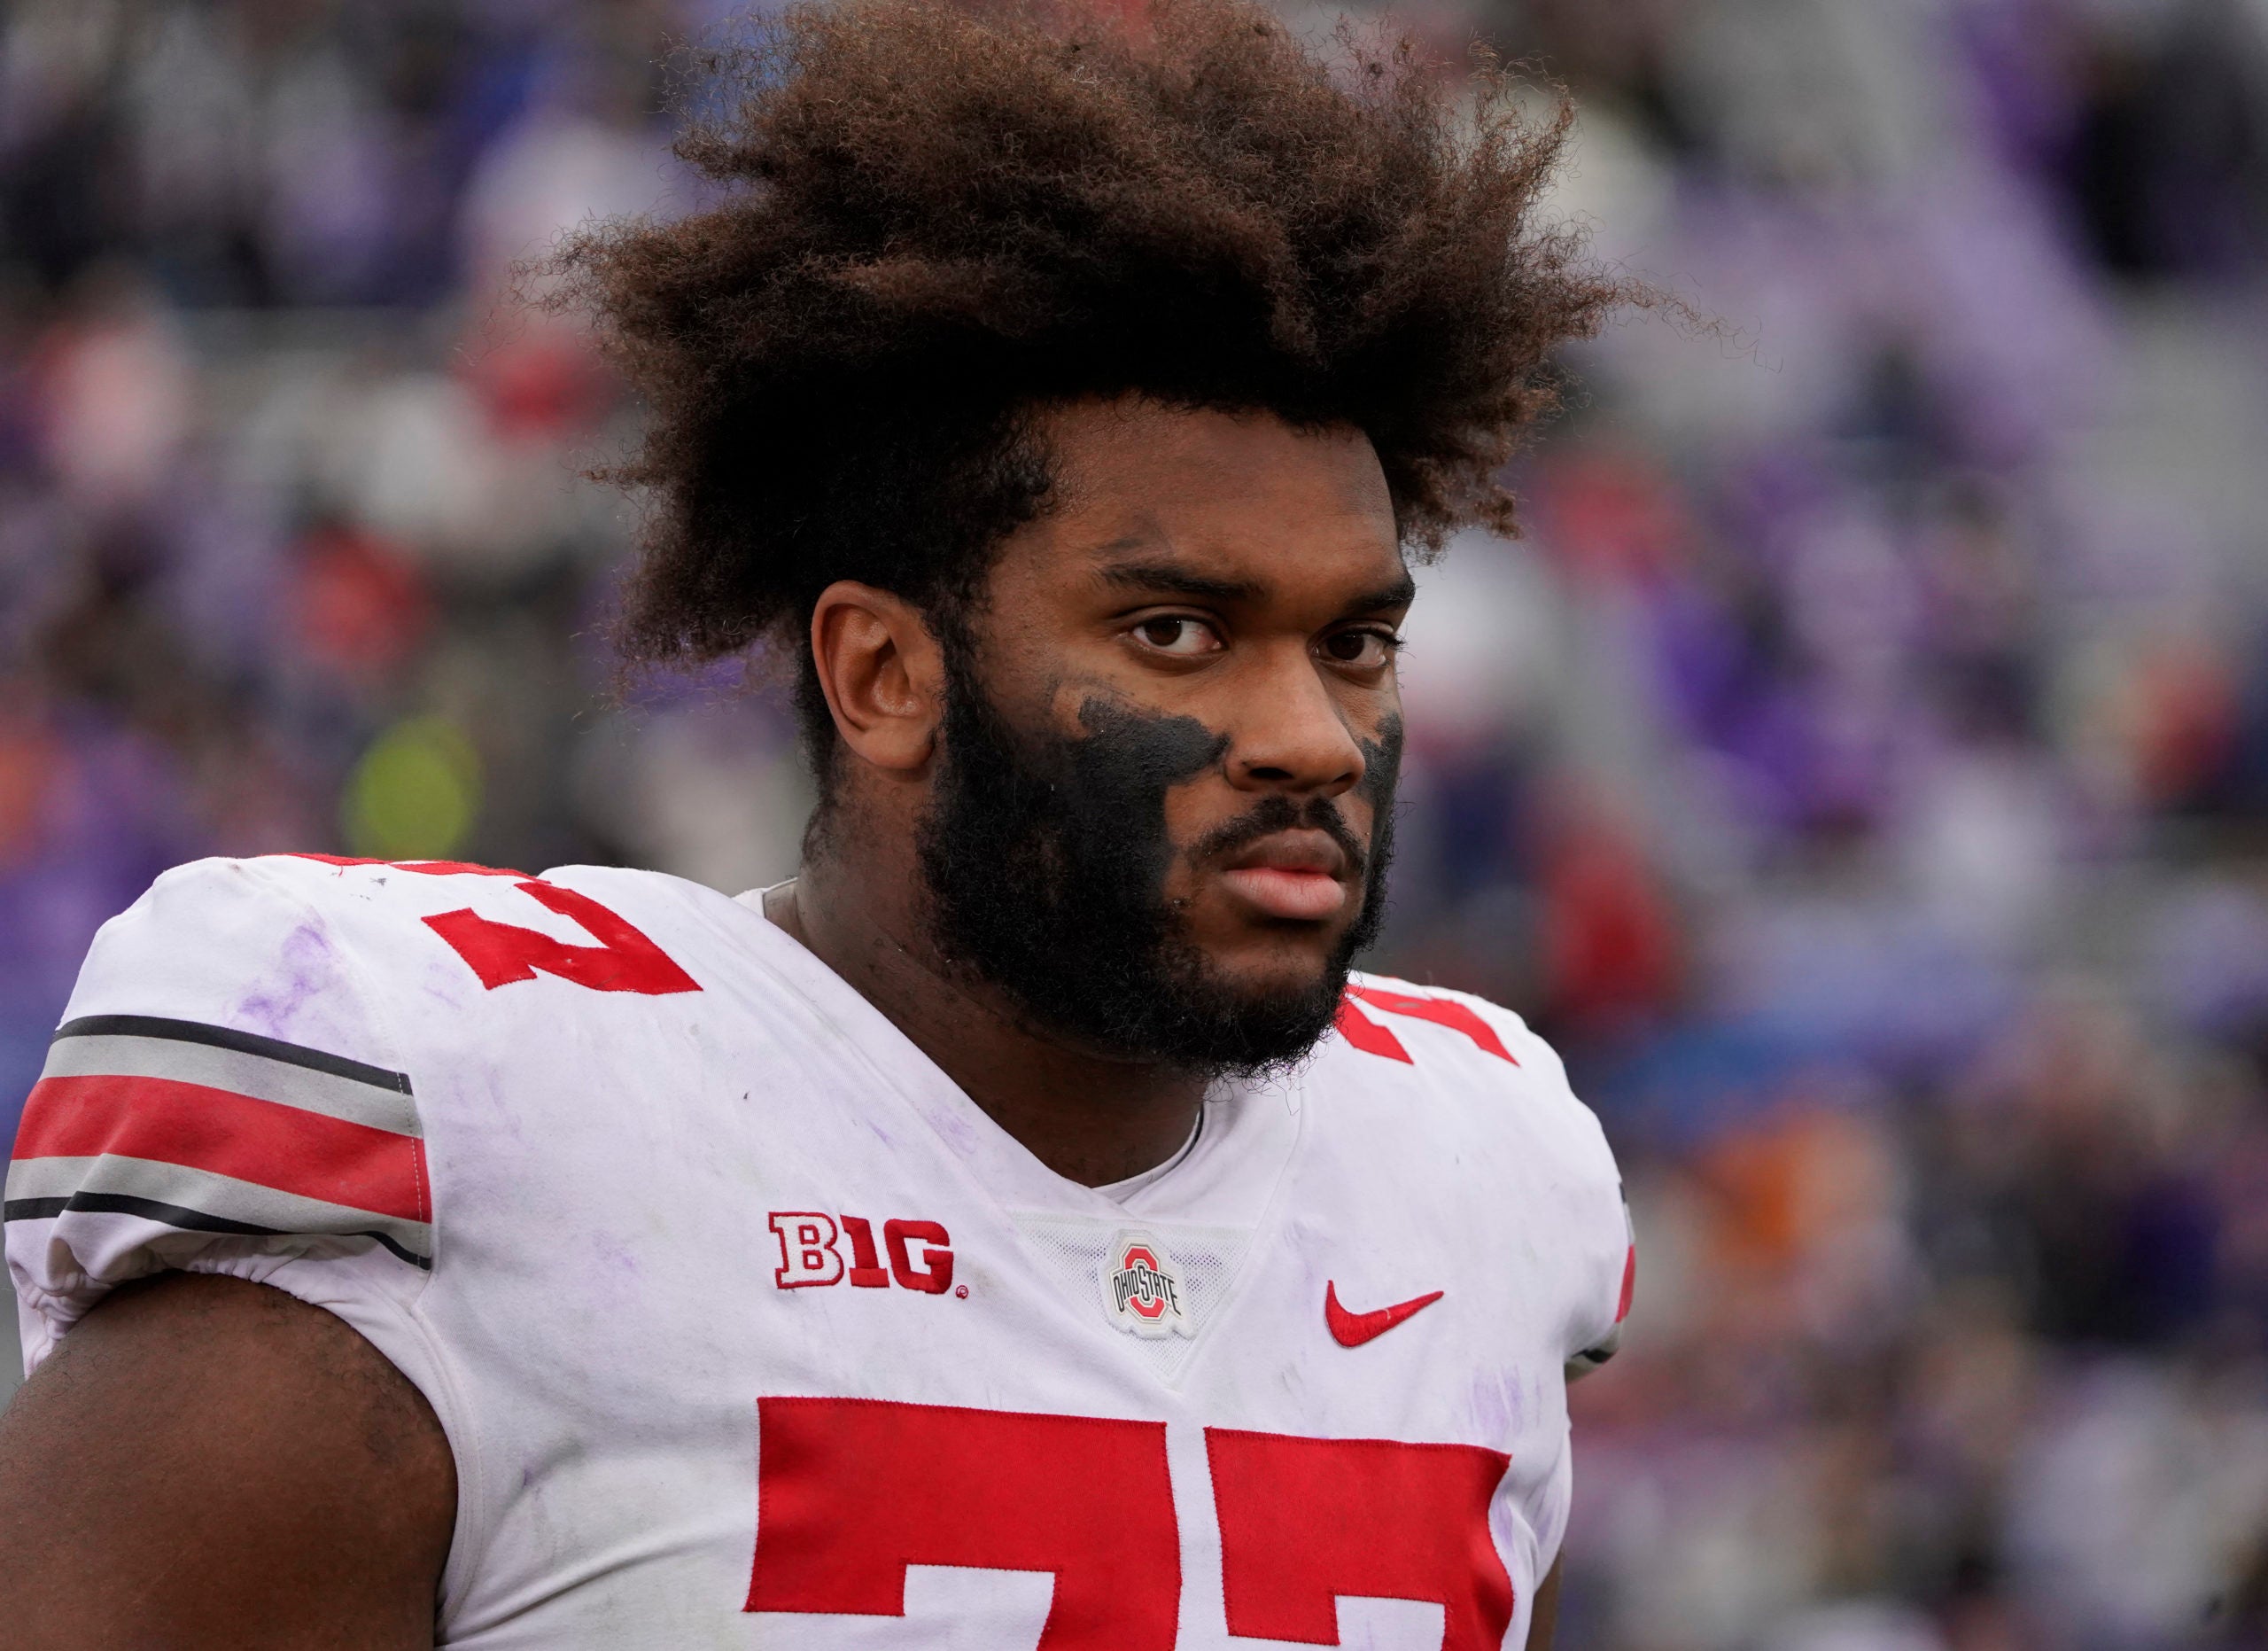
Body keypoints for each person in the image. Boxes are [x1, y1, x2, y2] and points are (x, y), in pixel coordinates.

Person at [0, 0, 1634, 1644]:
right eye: (1176, 634)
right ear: (882, 672)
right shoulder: (472, 1122)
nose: (1310, 739)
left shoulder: (1483, 1179)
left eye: (1354, 643)